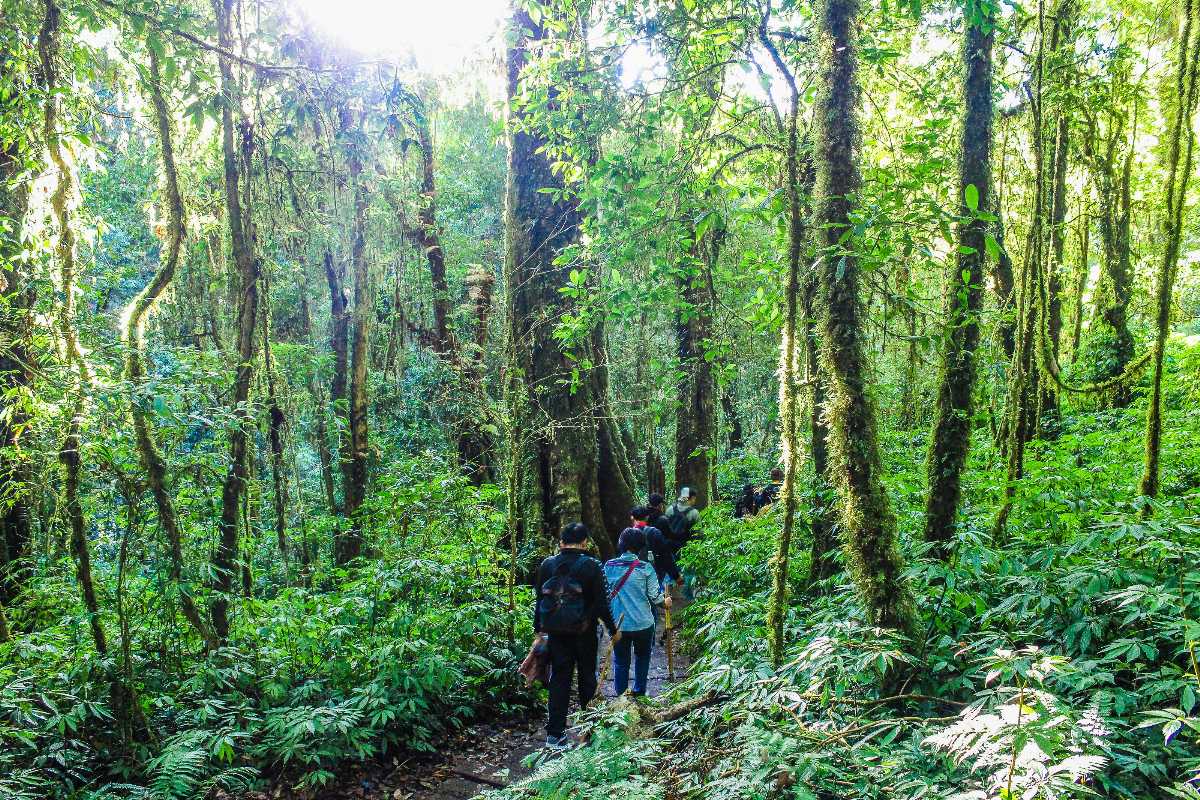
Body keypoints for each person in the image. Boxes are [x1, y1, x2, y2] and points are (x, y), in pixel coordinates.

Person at [534, 522, 619, 748]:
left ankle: (555, 735)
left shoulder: (547, 565)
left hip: (555, 633)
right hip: (584, 632)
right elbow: (602, 603)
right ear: (585, 542)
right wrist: (613, 631)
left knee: (559, 679)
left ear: (560, 542)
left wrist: (538, 632)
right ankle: (589, 731)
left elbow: (539, 601)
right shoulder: (591, 566)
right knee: (586, 678)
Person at [605, 527, 671, 696]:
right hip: (643, 623)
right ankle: (639, 691)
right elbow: (655, 597)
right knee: (642, 658)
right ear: (641, 546)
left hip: (619, 624)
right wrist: (666, 602)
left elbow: (604, 594)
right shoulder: (645, 568)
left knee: (620, 661)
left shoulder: (609, 566)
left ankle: (621, 696)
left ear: (621, 544)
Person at [629, 506, 681, 587]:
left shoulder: (627, 534)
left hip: (633, 573)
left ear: (632, 518)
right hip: (653, 572)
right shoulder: (653, 532)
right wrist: (676, 576)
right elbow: (666, 556)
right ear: (647, 517)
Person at [664, 487, 701, 551]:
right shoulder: (694, 513)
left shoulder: (670, 509)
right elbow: (698, 533)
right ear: (692, 498)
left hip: (669, 547)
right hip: (686, 548)